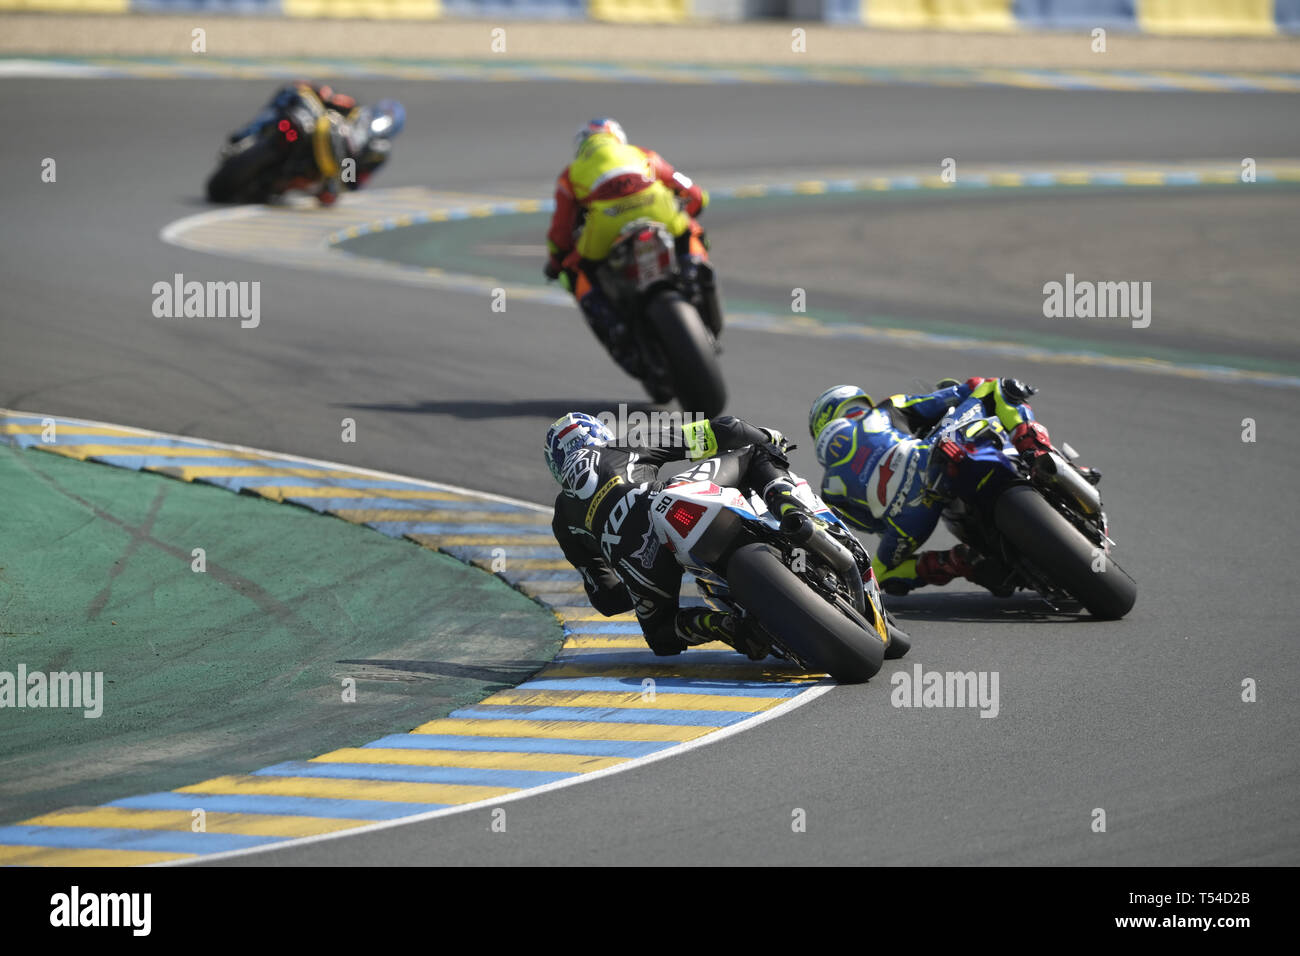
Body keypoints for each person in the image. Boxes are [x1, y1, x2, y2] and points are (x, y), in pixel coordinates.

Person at [545, 412, 834, 659]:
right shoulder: (620, 445)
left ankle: (721, 625)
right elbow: (723, 430)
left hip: (639, 564)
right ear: (599, 433)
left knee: (661, 636)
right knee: (755, 451)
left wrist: (637, 581)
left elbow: (607, 600)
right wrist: (767, 437)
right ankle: (791, 511)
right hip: (666, 502)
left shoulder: (562, 518)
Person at [808, 377, 1089, 597]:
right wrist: (965, 390)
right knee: (994, 387)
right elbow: (952, 396)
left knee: (878, 574)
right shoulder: (885, 409)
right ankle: (1038, 451)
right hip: (931, 455)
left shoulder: (831, 492)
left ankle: (958, 562)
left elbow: (875, 526)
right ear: (854, 402)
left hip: (911, 518)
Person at [543, 119, 719, 378]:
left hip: (606, 223)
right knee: (689, 230)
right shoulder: (642, 154)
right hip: (657, 206)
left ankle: (612, 324)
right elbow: (693, 194)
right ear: (618, 137)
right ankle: (695, 271)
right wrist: (692, 210)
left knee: (578, 270)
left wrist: (557, 261)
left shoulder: (570, 175)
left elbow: (560, 231)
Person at [222, 83, 404, 205]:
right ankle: (247, 135)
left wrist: (341, 178)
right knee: (290, 93)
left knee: (326, 196)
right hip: (312, 129)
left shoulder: (376, 152)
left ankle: (279, 185)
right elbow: (325, 97)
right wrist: (320, 92)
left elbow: (354, 182)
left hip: (325, 172)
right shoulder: (353, 109)